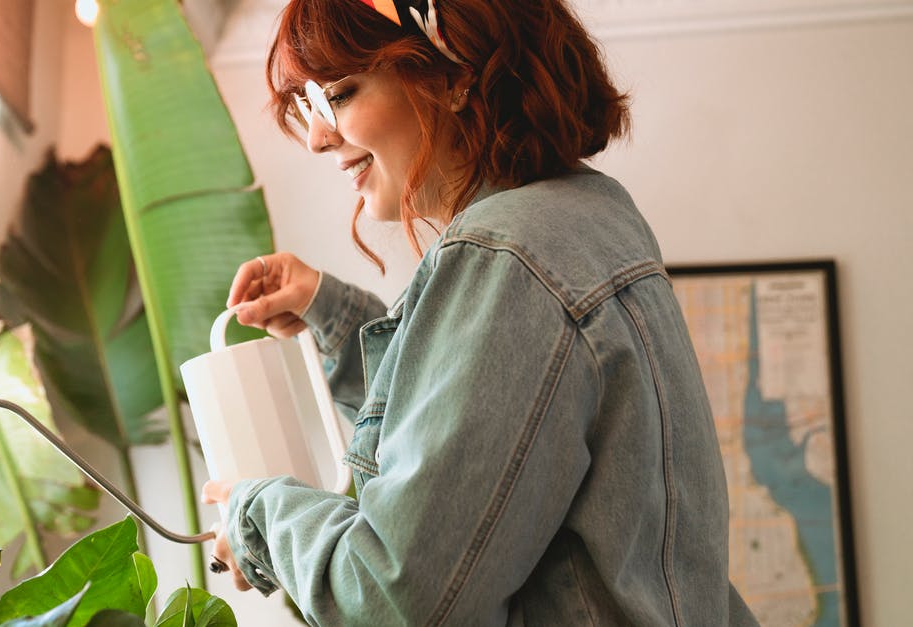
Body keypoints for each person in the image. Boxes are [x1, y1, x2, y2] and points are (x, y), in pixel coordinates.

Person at [200, 0, 758, 624]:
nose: (316, 135)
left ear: (454, 71)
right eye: (308, 106)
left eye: (339, 93)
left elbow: (398, 600)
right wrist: (329, 312)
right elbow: (485, 452)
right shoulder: (587, 216)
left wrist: (260, 516)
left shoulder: (508, 256)